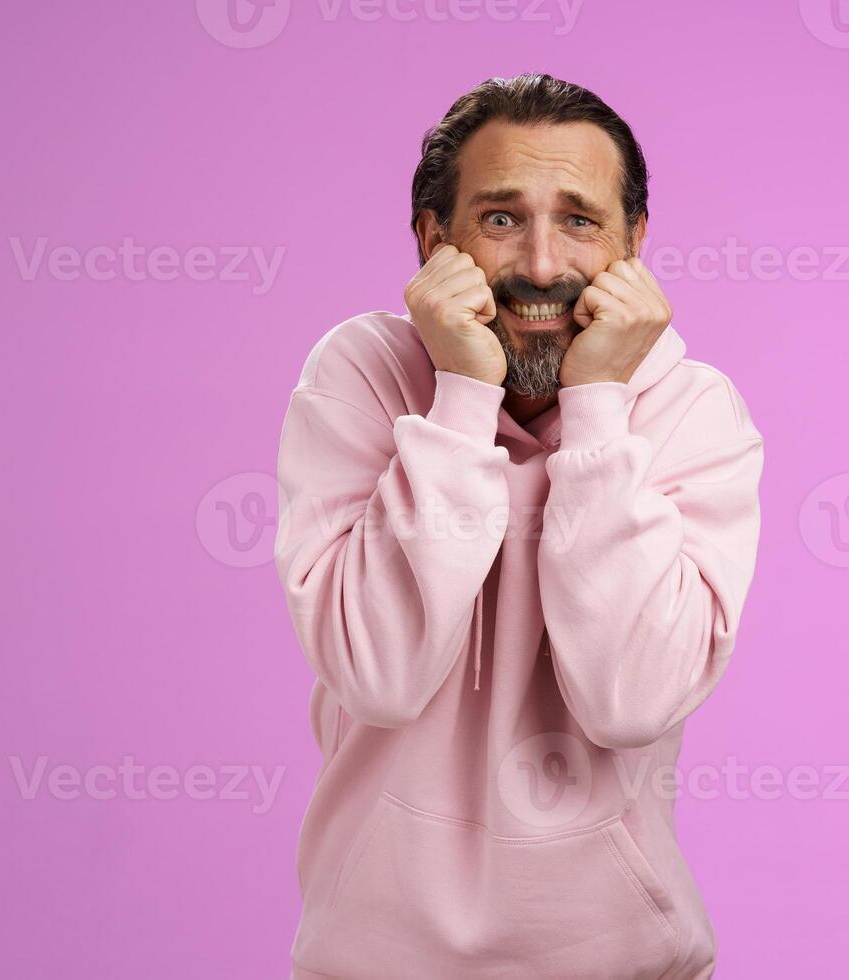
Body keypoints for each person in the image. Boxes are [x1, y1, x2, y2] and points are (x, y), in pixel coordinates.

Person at [275, 73, 764, 979]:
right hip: (373, 962)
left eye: (580, 220)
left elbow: (630, 702)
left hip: (624, 962)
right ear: (434, 239)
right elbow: (379, 677)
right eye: (502, 218)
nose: (543, 265)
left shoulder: (695, 413)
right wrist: (461, 393)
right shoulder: (361, 374)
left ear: (634, 245)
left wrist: (600, 406)